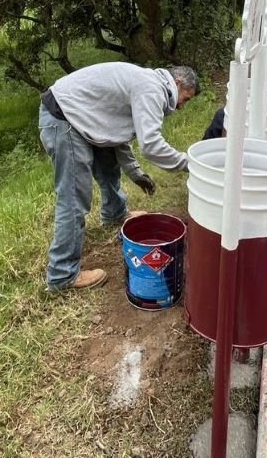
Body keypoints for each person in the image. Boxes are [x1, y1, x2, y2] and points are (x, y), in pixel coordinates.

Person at [39, 62, 200, 291]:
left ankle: (115, 214)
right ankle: (62, 275)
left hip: (79, 116)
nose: (182, 106)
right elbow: (152, 146)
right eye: (186, 98)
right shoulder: (152, 88)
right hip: (64, 118)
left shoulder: (148, 83)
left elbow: (116, 135)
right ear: (178, 83)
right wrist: (192, 165)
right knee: (74, 197)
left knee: (108, 165)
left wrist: (136, 173)